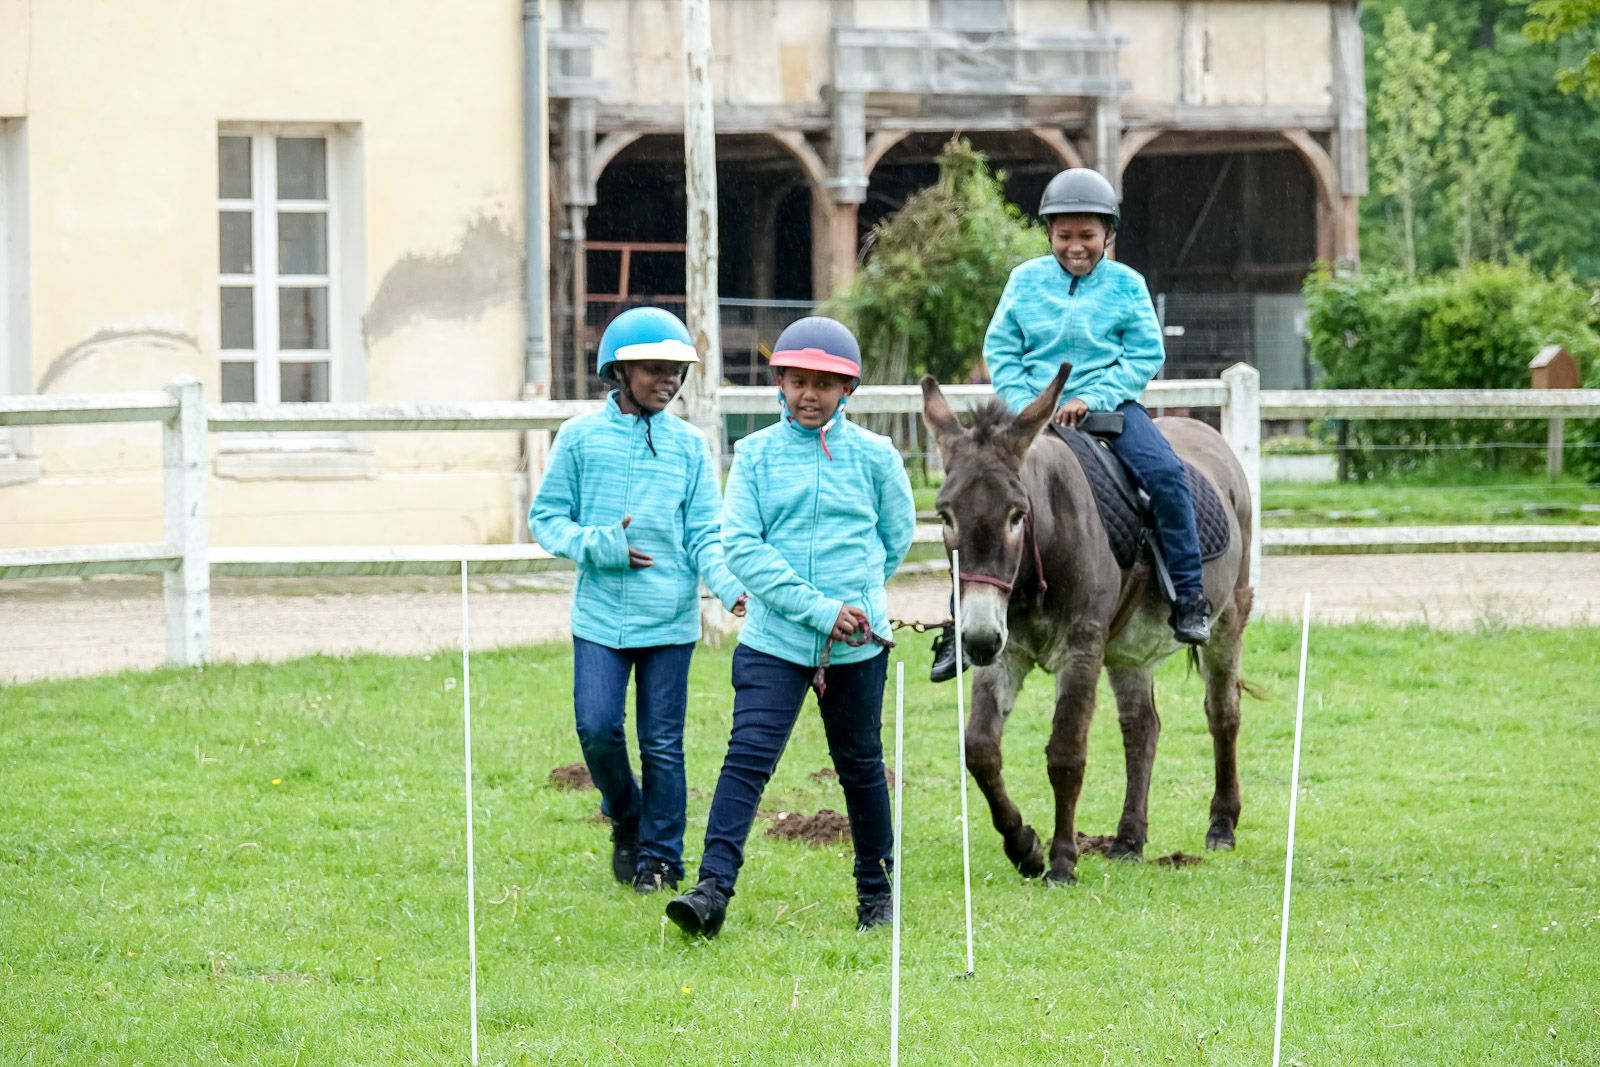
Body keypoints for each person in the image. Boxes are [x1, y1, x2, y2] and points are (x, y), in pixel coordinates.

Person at [665, 316, 916, 938]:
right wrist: (821, 609)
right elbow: (742, 549)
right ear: (779, 382)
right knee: (746, 761)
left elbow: (895, 537)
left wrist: (857, 597)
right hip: (774, 644)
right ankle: (710, 891)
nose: (809, 395)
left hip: (856, 648)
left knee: (861, 767)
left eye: (824, 385)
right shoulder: (754, 457)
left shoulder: (878, 459)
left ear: (847, 390)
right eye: (797, 381)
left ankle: (876, 897)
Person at [927, 167, 1212, 684]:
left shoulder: (1127, 285)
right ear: (1050, 235)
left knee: (1168, 476)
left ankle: (1189, 596)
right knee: (979, 500)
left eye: (1087, 236)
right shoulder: (1025, 281)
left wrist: (1091, 397)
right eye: (1064, 236)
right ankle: (956, 626)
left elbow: (1145, 352)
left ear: (1109, 236)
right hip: (1031, 421)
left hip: (1111, 413)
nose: (1075, 246)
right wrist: (1028, 408)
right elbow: (1002, 349)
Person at [529, 306, 746, 895]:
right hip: (599, 618)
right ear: (619, 371)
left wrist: (731, 589)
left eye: (677, 371)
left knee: (662, 745)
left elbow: (706, 534)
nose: (669, 381)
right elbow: (546, 520)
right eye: (655, 369)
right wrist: (602, 544)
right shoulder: (578, 438)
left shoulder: (689, 447)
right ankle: (626, 813)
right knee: (597, 729)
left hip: (670, 620)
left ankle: (660, 859)